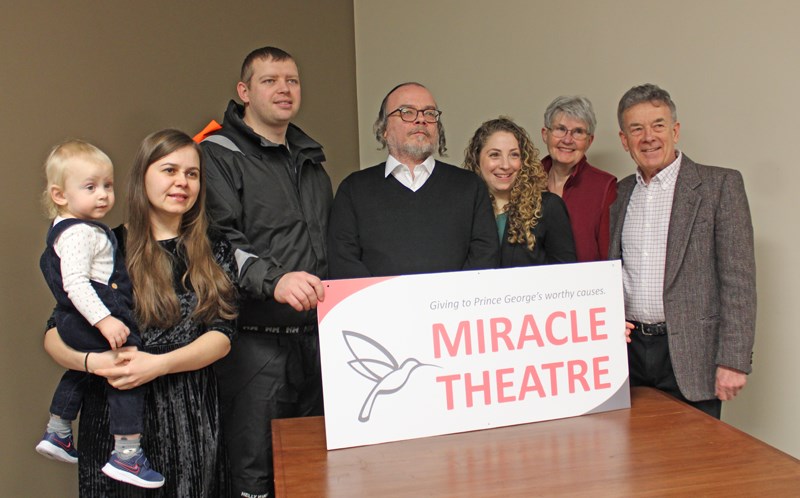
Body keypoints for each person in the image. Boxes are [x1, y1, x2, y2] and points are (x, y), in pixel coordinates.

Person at [44, 129, 238, 496]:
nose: (182, 181)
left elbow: (223, 336)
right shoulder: (106, 246)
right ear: (142, 177)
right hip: (116, 419)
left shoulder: (215, 250)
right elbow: (56, 331)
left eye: (192, 173)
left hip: (192, 416)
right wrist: (92, 363)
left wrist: (158, 365)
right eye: (169, 170)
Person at [198, 46, 331, 498]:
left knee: (313, 471)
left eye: (291, 80)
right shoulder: (216, 154)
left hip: (315, 344)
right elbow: (220, 243)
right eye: (270, 80)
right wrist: (276, 281)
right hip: (256, 346)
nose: (284, 89)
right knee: (253, 476)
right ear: (244, 91)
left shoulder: (311, 161)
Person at [609, 84, 756, 419]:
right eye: (637, 128)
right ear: (624, 140)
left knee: (693, 466)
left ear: (675, 130)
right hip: (627, 356)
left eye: (658, 125)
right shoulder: (617, 194)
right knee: (631, 461)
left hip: (692, 355)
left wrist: (733, 360)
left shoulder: (720, 186)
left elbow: (739, 281)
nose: (648, 137)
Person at [36, 140, 164, 489]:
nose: (104, 195)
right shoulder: (80, 233)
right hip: (93, 313)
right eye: (90, 187)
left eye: (107, 185)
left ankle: (59, 429)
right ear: (60, 195)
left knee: (84, 371)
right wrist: (105, 320)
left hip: (74, 319)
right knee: (126, 371)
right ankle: (127, 453)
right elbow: (76, 284)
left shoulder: (65, 228)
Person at [327, 82, 499, 278]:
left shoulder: (470, 187)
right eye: (407, 112)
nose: (421, 120)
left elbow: (484, 258)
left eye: (429, 113)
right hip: (380, 308)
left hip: (455, 307)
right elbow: (343, 262)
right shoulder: (353, 190)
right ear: (384, 129)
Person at [464, 117, 576, 267]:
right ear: (477, 159)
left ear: (524, 160)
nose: (505, 165)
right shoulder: (463, 210)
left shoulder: (548, 207)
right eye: (494, 155)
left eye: (514, 155)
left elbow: (568, 274)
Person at [541, 96, 617, 262]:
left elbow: (608, 259)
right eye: (560, 129)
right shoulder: (525, 181)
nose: (567, 140)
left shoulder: (605, 187)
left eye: (578, 132)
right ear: (545, 134)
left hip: (585, 287)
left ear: (589, 141)